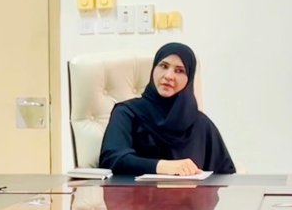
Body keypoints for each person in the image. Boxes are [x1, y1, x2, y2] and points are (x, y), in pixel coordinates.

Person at [98, 43, 235, 176]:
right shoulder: (127, 113)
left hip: (189, 193)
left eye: (179, 71)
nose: (169, 76)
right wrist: (163, 166)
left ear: (189, 79)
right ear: (153, 69)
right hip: (136, 192)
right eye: (163, 66)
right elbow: (112, 159)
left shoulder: (201, 124)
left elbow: (224, 174)